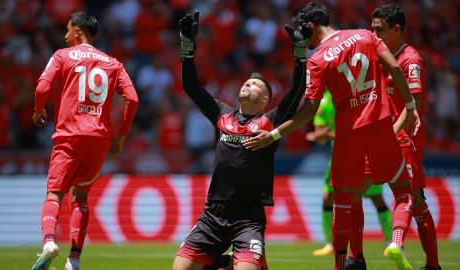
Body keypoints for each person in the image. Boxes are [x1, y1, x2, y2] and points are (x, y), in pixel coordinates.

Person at [243, 2, 421, 270]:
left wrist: (275, 134)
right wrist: (410, 106)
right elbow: (395, 69)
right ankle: (395, 241)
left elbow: (309, 110)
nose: (304, 37)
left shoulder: (317, 59)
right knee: (403, 192)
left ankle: (341, 265)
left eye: (304, 31)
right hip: (379, 125)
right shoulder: (366, 35)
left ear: (311, 26)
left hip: (348, 135)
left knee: (342, 204)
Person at [172, 10, 310, 270]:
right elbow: (192, 87)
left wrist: (300, 54)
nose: (248, 85)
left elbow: (297, 90)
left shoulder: (271, 121)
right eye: (246, 82)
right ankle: (226, 263)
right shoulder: (222, 114)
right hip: (213, 214)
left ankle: (240, 262)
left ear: (265, 100)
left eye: (256, 85)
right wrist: (187, 48)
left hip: (248, 217)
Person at [31, 11, 138, 270]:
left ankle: (48, 243)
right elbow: (133, 99)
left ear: (78, 31)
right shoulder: (113, 63)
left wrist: (38, 110)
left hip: (69, 136)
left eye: (67, 30)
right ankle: (74, 259)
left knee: (54, 192)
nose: (65, 35)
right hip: (99, 139)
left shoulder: (61, 55)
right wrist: (121, 136)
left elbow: (42, 88)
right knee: (80, 198)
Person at [371, 4, 441, 270]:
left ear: (397, 29)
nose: (374, 33)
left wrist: (392, 133)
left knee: (407, 196)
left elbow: (414, 104)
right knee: (418, 202)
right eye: (372, 28)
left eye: (380, 29)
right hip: (384, 138)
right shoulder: (382, 56)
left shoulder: (410, 59)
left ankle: (396, 244)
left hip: (404, 138)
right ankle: (433, 266)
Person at [309, 91, 392, 257]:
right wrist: (319, 136)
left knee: (376, 198)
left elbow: (356, 131)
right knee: (328, 197)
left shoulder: (357, 96)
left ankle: (390, 242)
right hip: (338, 157)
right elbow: (319, 135)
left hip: (363, 154)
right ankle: (329, 244)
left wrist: (327, 135)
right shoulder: (324, 102)